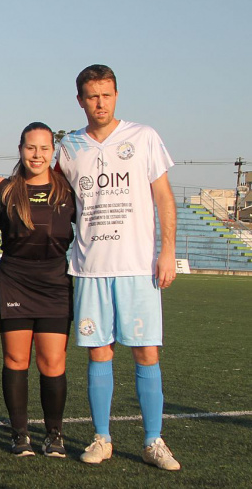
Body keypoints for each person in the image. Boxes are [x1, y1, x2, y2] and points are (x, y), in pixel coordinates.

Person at [57, 64, 180, 470]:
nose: (100, 103)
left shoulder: (143, 137)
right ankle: (102, 438)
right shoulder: (69, 147)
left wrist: (167, 251)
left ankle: (153, 441)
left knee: (146, 352)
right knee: (99, 353)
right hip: (91, 267)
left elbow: (163, 197)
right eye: (92, 96)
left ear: (116, 95)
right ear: (80, 100)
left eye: (106, 94)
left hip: (138, 267)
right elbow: (44, 183)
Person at [0, 122, 75, 458]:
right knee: (16, 359)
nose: (37, 154)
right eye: (31, 147)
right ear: (20, 149)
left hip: (55, 283)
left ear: (53, 152)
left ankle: (54, 435)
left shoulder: (68, 190)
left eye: (44, 148)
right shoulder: (6, 191)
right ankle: (20, 435)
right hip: (14, 279)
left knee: (53, 361)